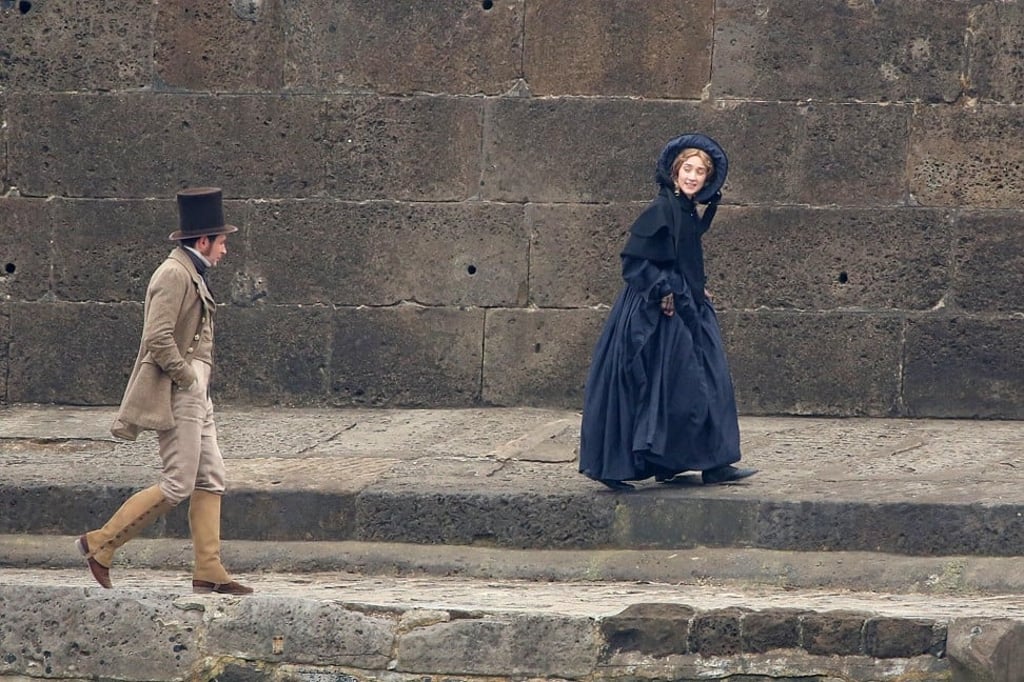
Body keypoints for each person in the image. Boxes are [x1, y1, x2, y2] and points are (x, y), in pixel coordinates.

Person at [76, 187, 253, 594]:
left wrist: (199, 385)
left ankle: (209, 569)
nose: (225, 250)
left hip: (198, 392)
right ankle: (100, 543)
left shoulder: (191, 272)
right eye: (222, 242)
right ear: (203, 241)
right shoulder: (173, 274)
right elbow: (157, 337)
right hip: (181, 391)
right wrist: (186, 378)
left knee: (211, 477)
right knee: (178, 484)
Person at [578, 133, 756, 491]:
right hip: (656, 311)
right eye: (688, 169)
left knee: (705, 381)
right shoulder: (661, 209)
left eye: (700, 172)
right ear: (675, 172)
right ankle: (611, 466)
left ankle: (710, 463)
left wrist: (694, 286)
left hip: (687, 305)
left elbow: (681, 255)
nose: (693, 176)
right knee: (650, 386)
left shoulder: (685, 209)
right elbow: (633, 263)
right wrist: (663, 289)